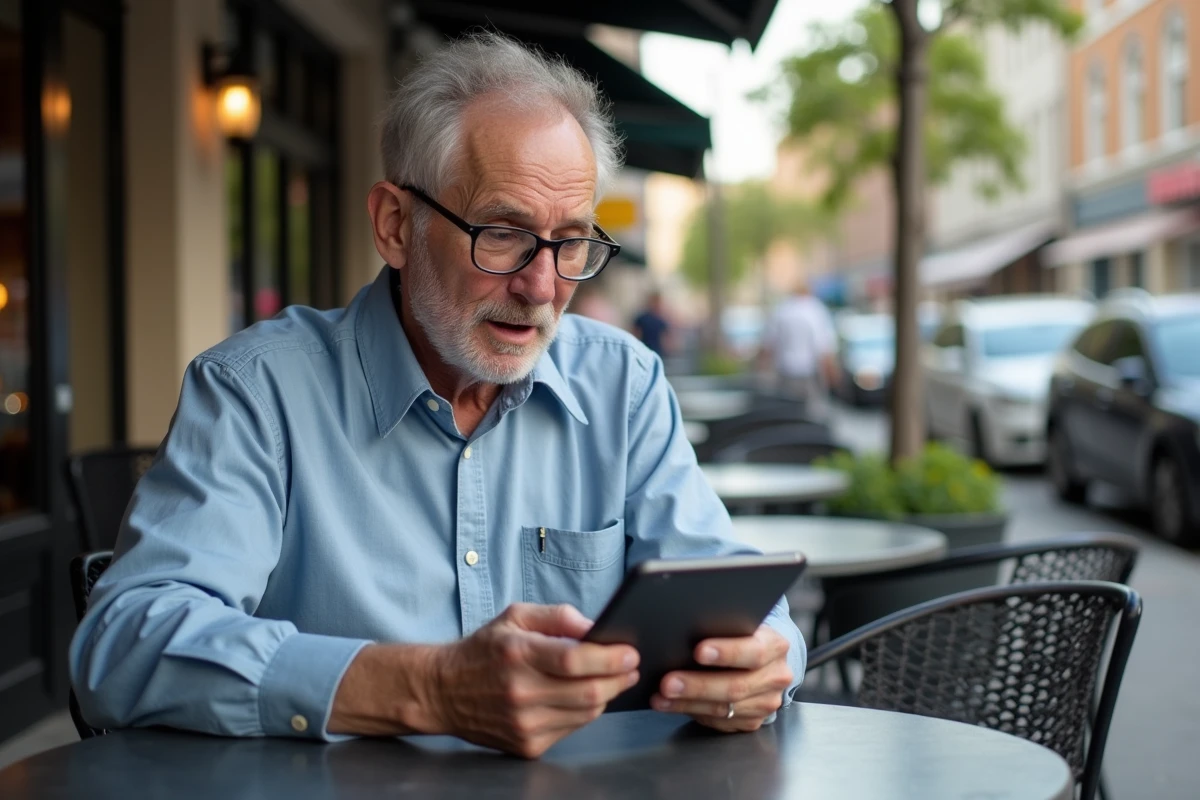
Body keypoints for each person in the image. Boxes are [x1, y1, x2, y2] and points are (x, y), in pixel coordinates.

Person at [70, 34, 805, 759]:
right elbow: (123, 646)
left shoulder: (623, 386)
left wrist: (766, 660)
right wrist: (429, 688)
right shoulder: (256, 393)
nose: (542, 286)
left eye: (571, 242)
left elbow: (740, 598)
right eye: (503, 233)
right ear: (396, 226)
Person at [758, 281, 839, 411]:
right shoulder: (815, 309)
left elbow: (768, 345)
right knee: (812, 413)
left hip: (785, 371)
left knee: (787, 411)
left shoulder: (782, 309)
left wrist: (761, 370)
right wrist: (832, 374)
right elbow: (824, 347)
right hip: (809, 372)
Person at [632, 291, 671, 359]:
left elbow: (665, 338)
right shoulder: (643, 318)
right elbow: (636, 334)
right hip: (644, 350)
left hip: (656, 351)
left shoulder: (661, 319)